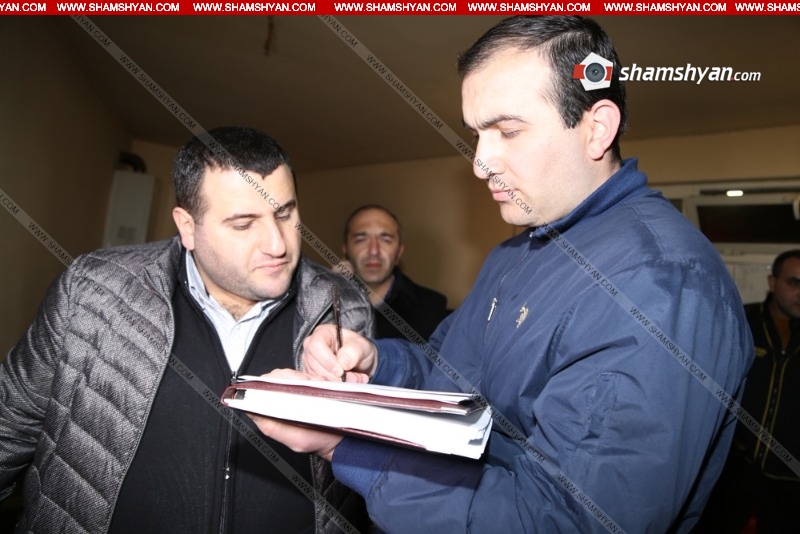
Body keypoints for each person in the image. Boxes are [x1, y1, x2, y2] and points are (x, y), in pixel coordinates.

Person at [251, 16, 754, 533]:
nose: (480, 163)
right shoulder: (513, 254)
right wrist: (378, 363)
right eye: (476, 134)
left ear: (597, 128)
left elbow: (565, 521)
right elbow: (449, 378)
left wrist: (347, 447)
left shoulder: (661, 285)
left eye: (508, 131)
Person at [0, 126, 372, 533]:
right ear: (188, 226)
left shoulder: (344, 308)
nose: (278, 244)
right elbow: (10, 426)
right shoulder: (92, 291)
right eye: (243, 224)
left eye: (284, 214)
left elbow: (373, 473)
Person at [696, 250, 800, 533]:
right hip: (729, 470)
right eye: (794, 283)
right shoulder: (740, 320)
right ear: (772, 282)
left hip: (788, 480)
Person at [341, 204, 448, 340]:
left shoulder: (432, 307)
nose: (374, 251)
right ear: (346, 250)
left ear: (399, 253)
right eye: (360, 240)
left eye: (386, 240)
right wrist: (330, 288)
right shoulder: (325, 302)